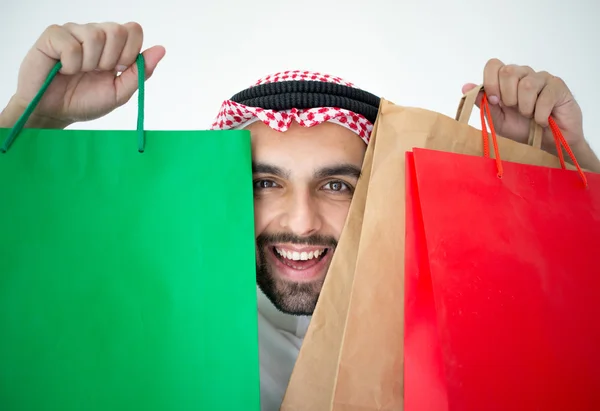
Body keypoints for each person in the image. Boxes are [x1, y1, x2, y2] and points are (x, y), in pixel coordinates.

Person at [1, 22, 598, 411]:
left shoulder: (455, 322)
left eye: (337, 184)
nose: (303, 221)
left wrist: (557, 182)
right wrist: (29, 126)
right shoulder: (147, 320)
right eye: (265, 183)